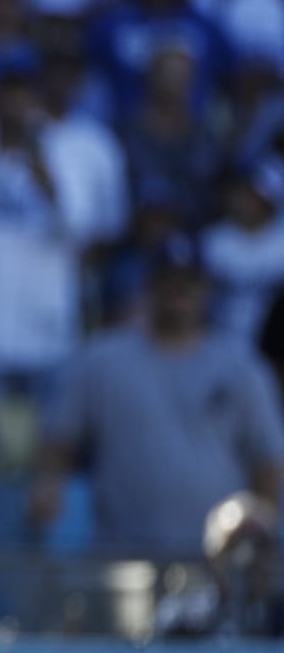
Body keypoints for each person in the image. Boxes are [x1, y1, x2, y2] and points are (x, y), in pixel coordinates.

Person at [31, 234, 284, 556]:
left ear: (206, 289)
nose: (179, 292)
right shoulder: (102, 360)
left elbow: (267, 463)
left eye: (189, 281)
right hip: (122, 559)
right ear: (148, 286)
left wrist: (265, 541)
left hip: (216, 562)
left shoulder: (242, 368)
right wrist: (48, 483)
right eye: (168, 280)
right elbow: (58, 439)